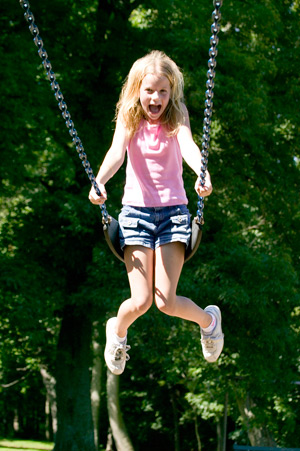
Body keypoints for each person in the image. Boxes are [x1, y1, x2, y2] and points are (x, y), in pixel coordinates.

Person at [89, 50, 224, 375]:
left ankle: (209, 322)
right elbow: (116, 152)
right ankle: (117, 333)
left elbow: (190, 146)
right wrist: (99, 181)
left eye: (163, 91)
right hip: (135, 215)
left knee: (166, 302)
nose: (156, 97)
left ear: (171, 92)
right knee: (140, 302)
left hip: (173, 215)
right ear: (138, 89)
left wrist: (202, 173)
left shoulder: (176, 115)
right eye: (150, 90)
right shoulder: (129, 117)